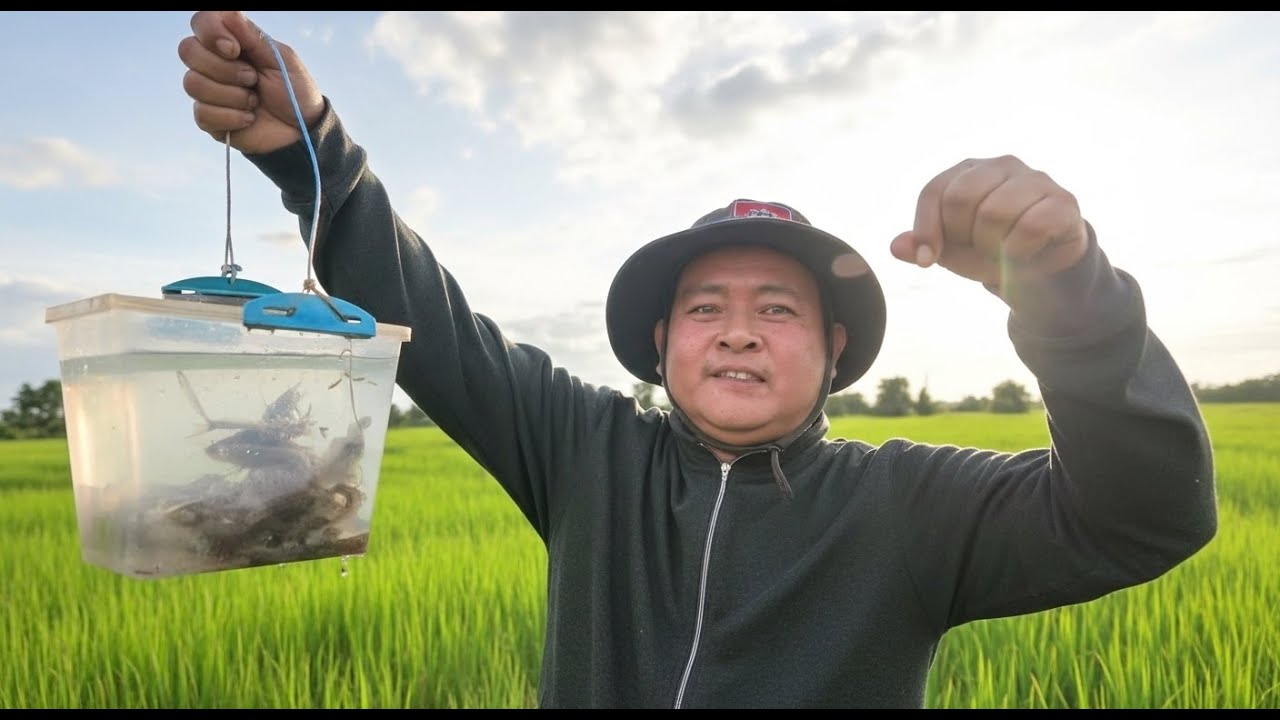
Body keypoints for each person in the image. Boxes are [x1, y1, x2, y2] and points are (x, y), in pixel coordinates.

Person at [177, 11, 1219, 709]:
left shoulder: (909, 502)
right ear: (661, 344)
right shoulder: (584, 450)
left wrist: (1065, 289)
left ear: (835, 349)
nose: (735, 330)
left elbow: (1144, 515)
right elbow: (430, 322)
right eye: (703, 307)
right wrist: (309, 146)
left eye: (778, 308)